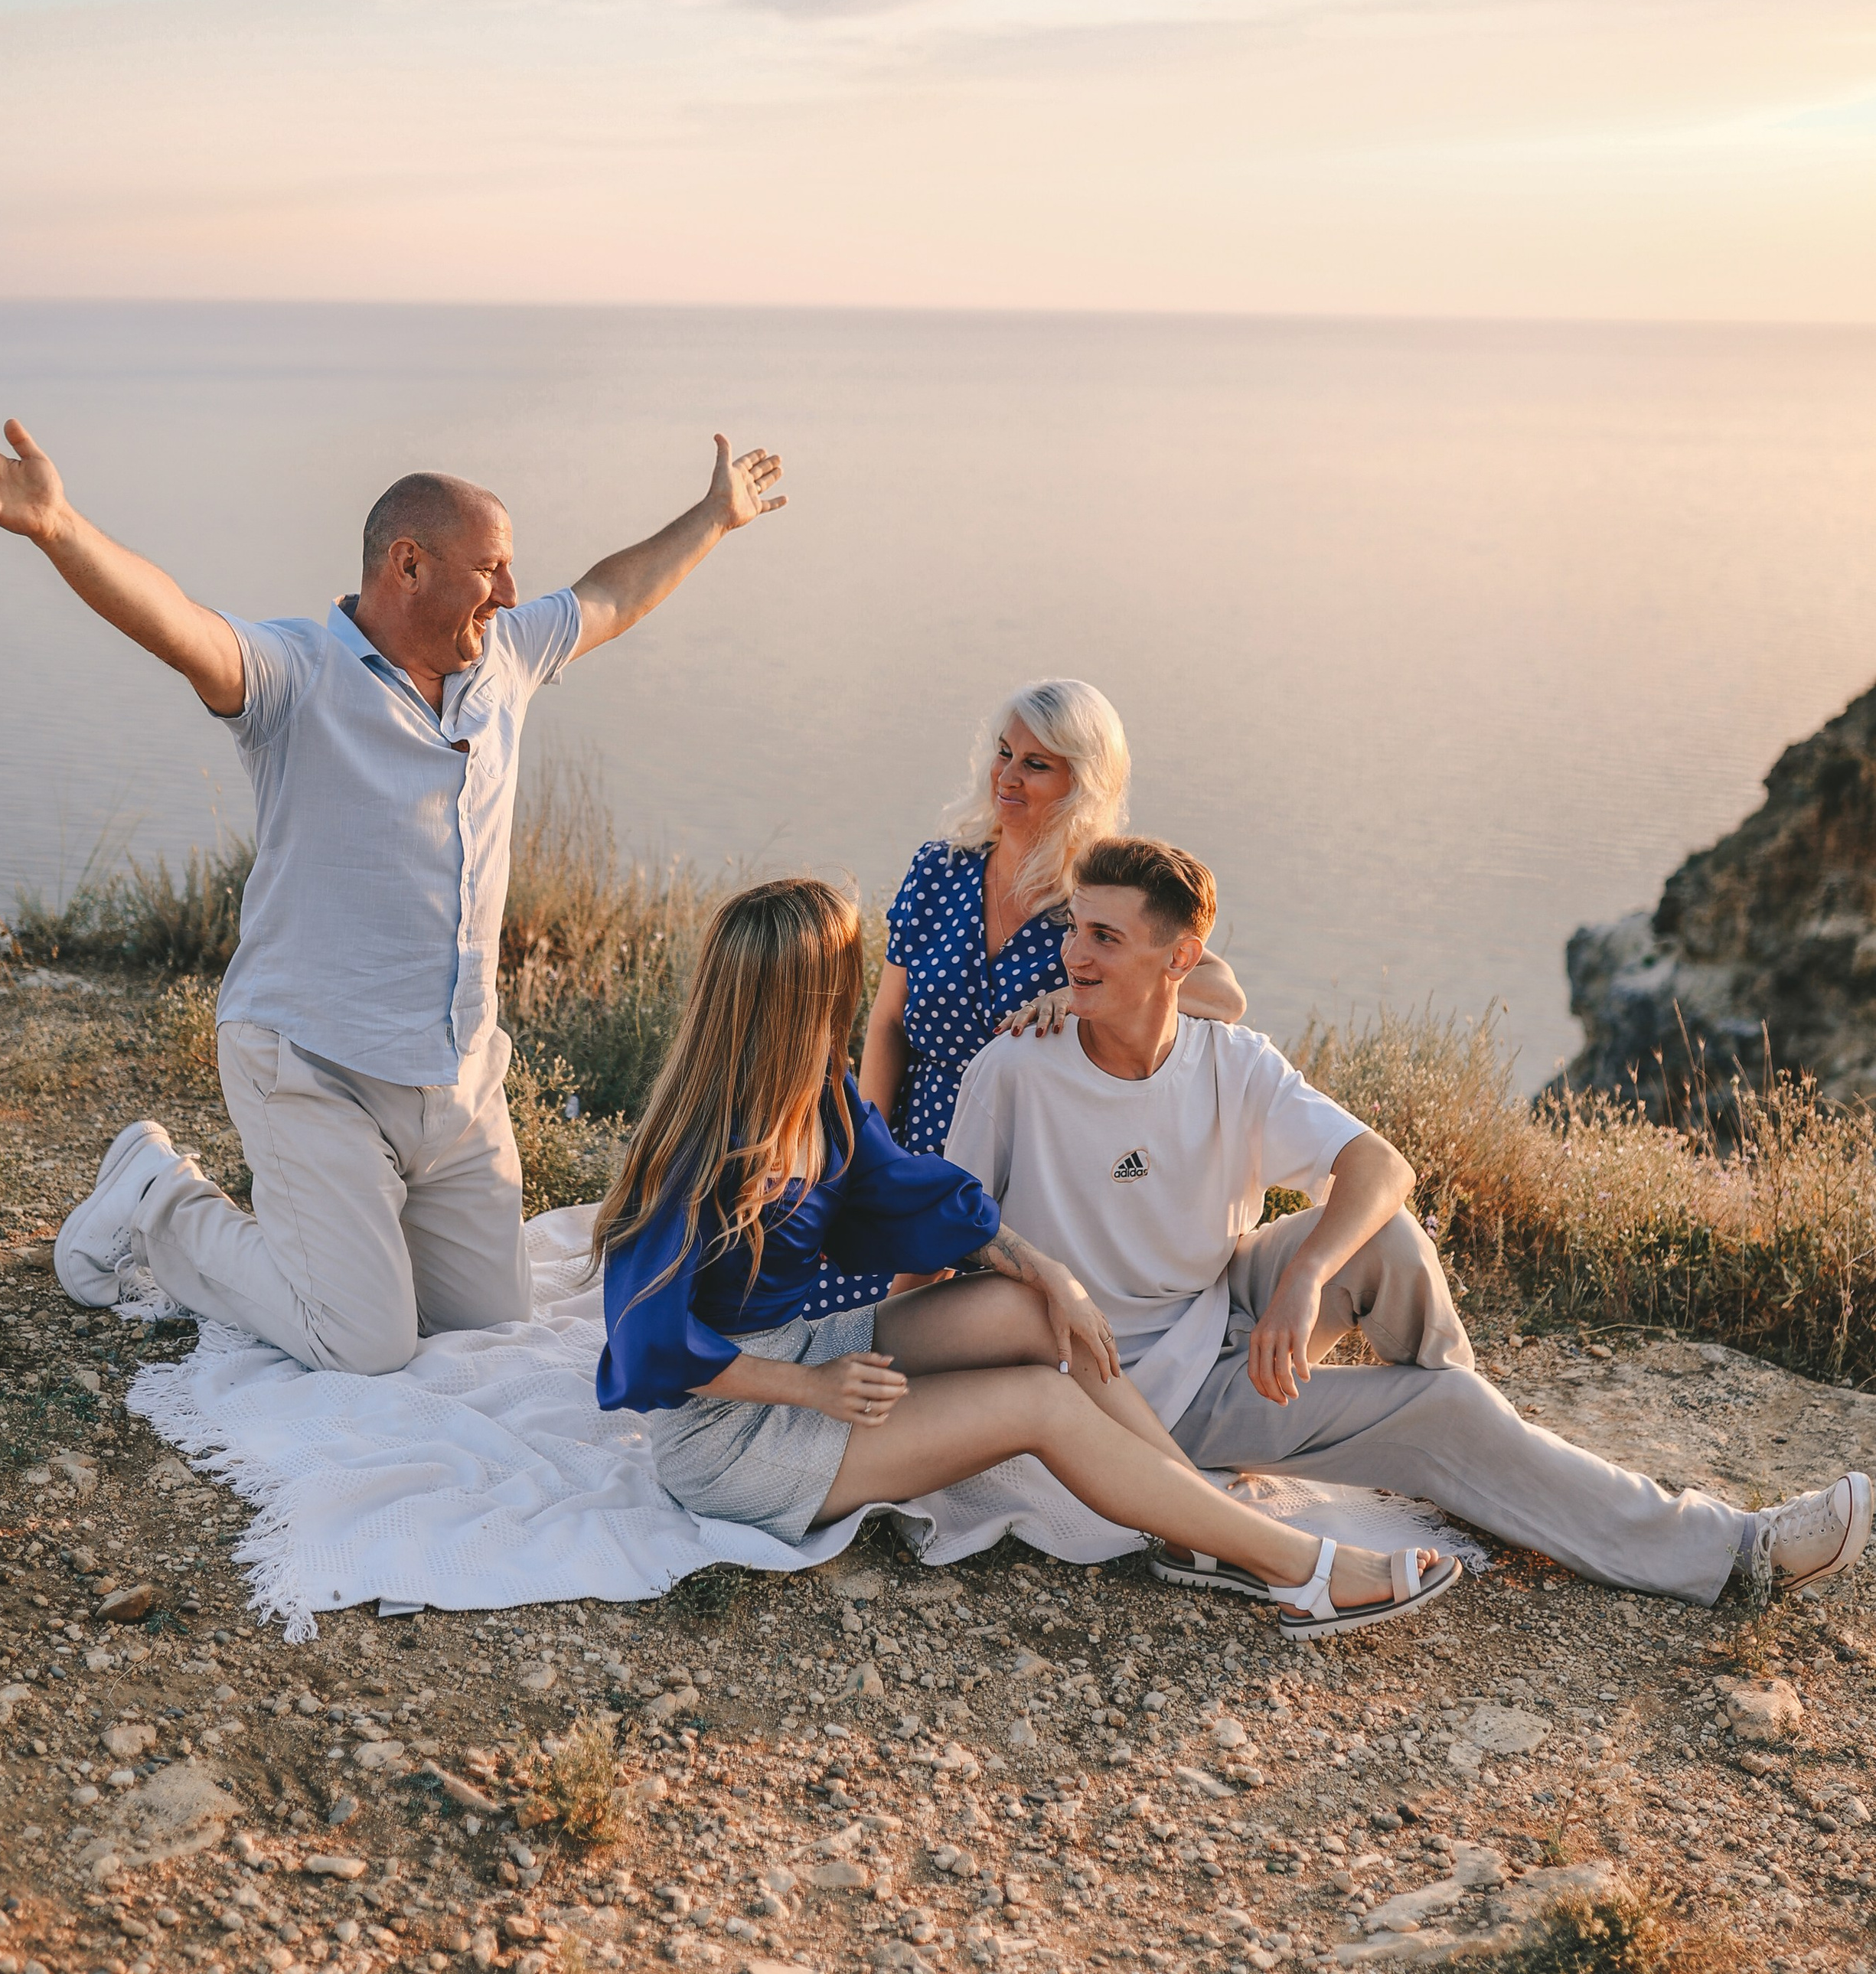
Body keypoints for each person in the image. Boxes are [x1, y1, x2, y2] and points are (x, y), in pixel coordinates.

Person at [0, 409, 786, 1375]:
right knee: (364, 1344)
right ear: (408, 565)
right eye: (490, 568)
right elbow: (174, 623)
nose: (509, 591)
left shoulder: (500, 659)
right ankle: (158, 1198)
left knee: (487, 1330)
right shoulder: (298, 675)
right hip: (313, 1067)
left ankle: (351, 1233)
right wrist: (58, 527)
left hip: (457, 1085)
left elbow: (611, 595)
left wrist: (715, 516)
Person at [942, 834, 1874, 1606]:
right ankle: (1731, 1553)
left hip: (1219, 1306)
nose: (1073, 956)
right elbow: (950, 1225)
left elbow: (1382, 1164)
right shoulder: (1020, 1068)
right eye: (1075, 930)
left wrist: (1301, 1281)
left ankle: (1481, 1456)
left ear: (1180, 958)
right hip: (1143, 1390)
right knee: (1443, 1411)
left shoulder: (1230, 1061)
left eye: (1105, 937)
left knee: (1384, 1236)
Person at [592, 876, 1460, 1639]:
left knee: (1029, 1312)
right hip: (728, 1433)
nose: (861, 988)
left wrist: (1052, 1276)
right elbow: (650, 1350)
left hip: (807, 1350)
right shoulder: (695, 1154)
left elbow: (927, 1198)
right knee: (1040, 1404)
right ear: (804, 997)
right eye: (847, 974)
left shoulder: (822, 1103)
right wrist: (812, 1390)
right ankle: (1301, 1570)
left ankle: (1199, 1515)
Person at [859, 679, 1245, 1158]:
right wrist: (867, 1155)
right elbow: (888, 1023)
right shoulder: (938, 871)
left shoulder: (1097, 901)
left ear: (1083, 784)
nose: (1007, 777)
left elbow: (1225, 996)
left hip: (1035, 1170)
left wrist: (1073, 995)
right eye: (1004, 753)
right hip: (912, 1153)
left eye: (1036, 765)